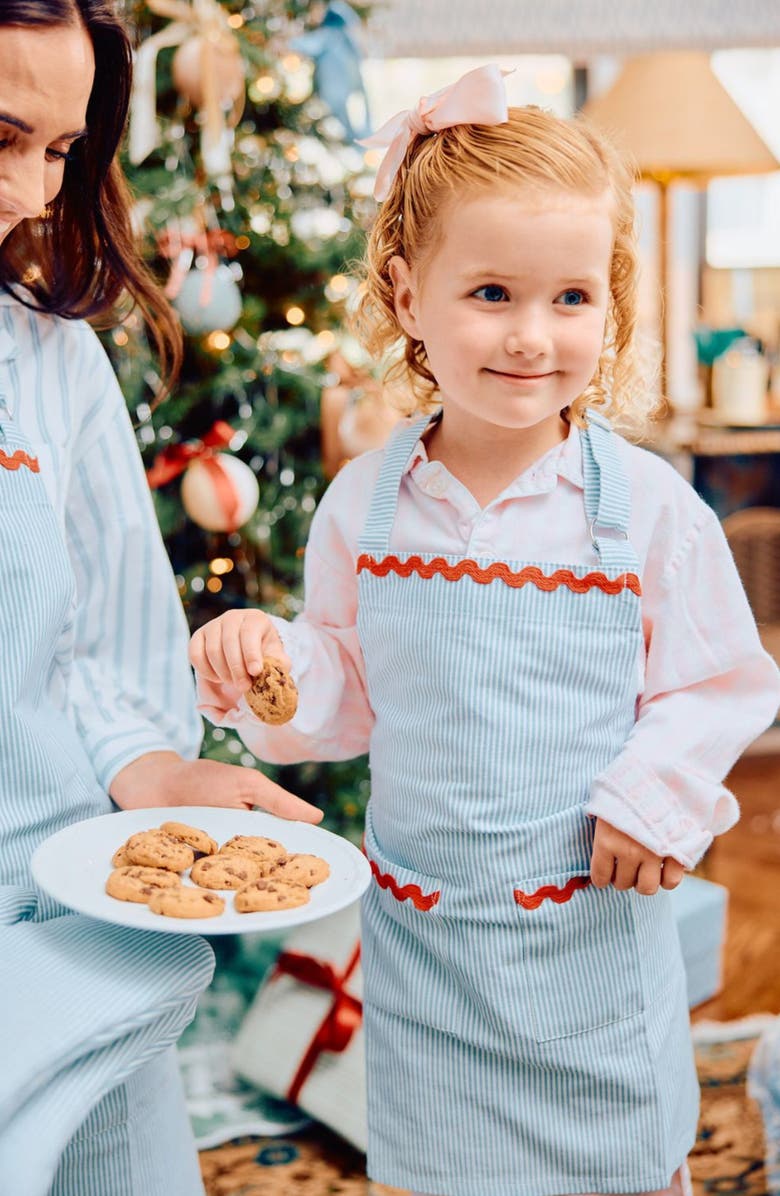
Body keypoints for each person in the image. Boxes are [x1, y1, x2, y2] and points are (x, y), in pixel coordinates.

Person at [189, 65, 780, 1196]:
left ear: (610, 303)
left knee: (628, 1167)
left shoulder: (647, 509)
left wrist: (653, 796)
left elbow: (720, 684)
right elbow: (349, 685)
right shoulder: (364, 502)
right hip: (430, 949)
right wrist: (269, 663)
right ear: (409, 296)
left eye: (571, 299)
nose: (532, 336)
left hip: (587, 941)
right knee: (441, 1169)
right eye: (493, 293)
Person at [0, 3, 321, 1194]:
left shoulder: (47, 360)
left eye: (60, 151)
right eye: (0, 137)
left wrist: (152, 768)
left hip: (55, 927)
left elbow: (93, 644)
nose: (35, 193)